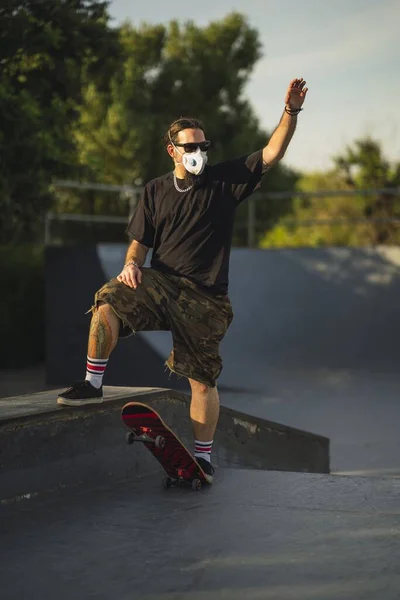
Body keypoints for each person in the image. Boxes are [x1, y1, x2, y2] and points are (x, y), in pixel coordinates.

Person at [57, 77, 308, 481]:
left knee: (202, 381)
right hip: (162, 285)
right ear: (172, 149)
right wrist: (132, 264)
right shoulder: (155, 191)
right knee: (108, 297)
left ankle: (203, 458)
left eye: (203, 147)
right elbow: (139, 243)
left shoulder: (225, 181)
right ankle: (92, 382)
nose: (198, 153)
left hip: (206, 298)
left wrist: (291, 111)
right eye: (190, 147)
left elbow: (272, 152)